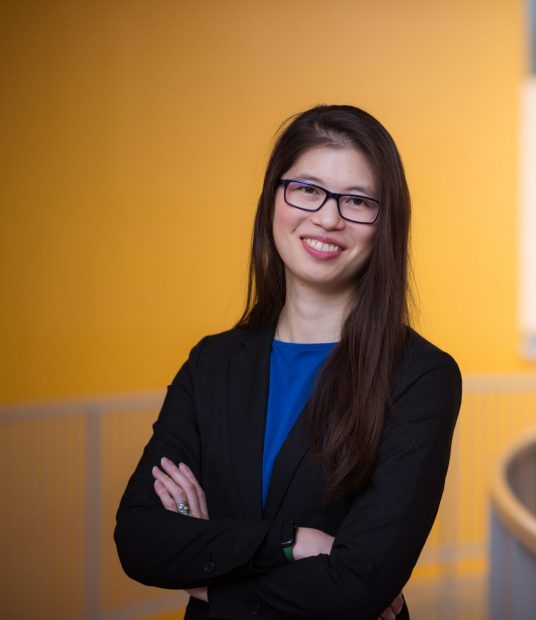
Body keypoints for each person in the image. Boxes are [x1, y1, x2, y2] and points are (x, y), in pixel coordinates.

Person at [114, 104, 462, 620]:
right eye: (307, 189)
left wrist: (205, 570)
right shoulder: (212, 363)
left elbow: (356, 586)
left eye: (358, 200)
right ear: (273, 199)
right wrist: (289, 543)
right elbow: (140, 537)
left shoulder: (419, 377)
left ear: (385, 223)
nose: (327, 217)